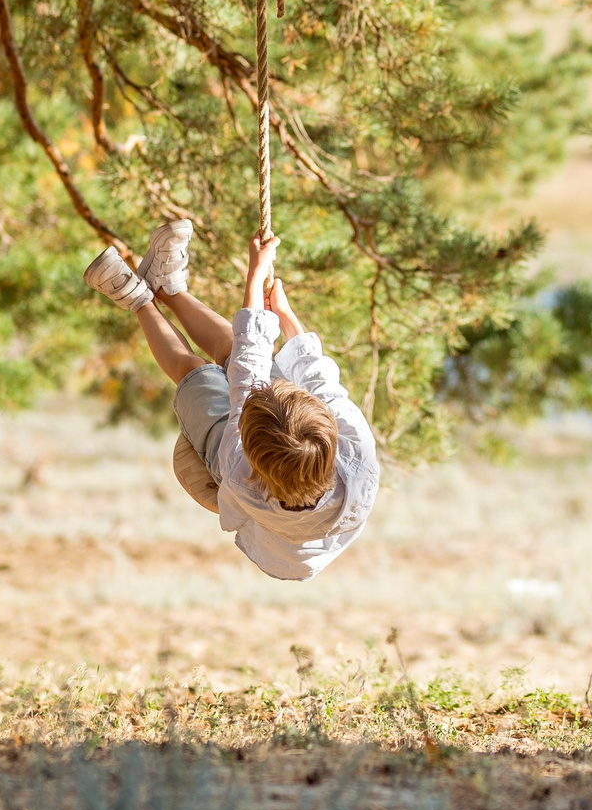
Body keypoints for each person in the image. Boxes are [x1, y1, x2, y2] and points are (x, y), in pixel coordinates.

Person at [83, 220, 377, 580]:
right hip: (284, 497)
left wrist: (256, 274)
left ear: (245, 440)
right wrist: (284, 316)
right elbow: (316, 377)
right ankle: (167, 287)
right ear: (327, 425)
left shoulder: (239, 472)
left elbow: (245, 379)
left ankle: (140, 300)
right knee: (231, 351)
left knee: (193, 371)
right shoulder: (357, 457)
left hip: (257, 518)